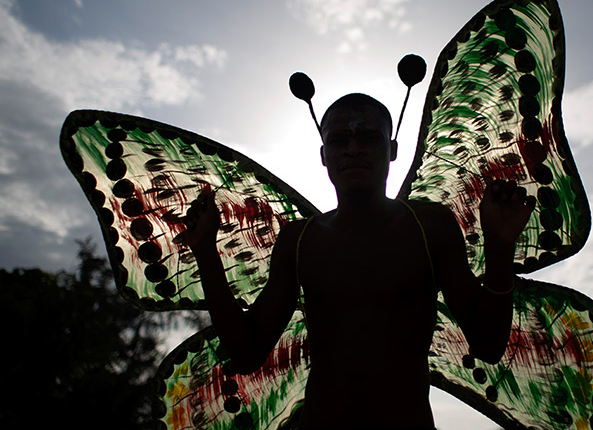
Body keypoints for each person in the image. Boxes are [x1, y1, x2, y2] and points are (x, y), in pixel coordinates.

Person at [182, 93, 535, 430]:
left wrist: (500, 247)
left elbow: (488, 346)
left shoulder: (431, 226)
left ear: (392, 149)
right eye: (339, 141)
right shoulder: (298, 240)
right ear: (324, 155)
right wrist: (205, 253)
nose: (353, 149)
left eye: (368, 138)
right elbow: (247, 352)